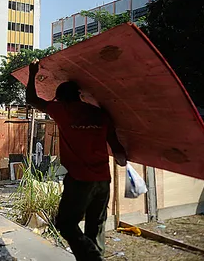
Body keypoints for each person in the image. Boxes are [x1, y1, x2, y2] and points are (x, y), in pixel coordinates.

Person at [26, 60, 127, 261]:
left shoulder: (62, 111)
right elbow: (118, 150)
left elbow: (31, 99)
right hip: (103, 180)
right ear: (79, 95)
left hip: (80, 180)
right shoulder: (99, 114)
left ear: (61, 99)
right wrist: (123, 160)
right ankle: (95, 255)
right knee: (95, 226)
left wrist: (32, 73)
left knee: (65, 224)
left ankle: (92, 257)